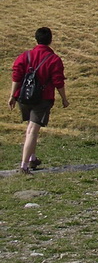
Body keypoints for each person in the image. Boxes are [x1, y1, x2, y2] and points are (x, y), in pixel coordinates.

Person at [8, 27, 69, 174]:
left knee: (30, 126)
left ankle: (32, 158)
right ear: (50, 40)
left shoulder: (25, 56)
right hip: (42, 98)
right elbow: (58, 81)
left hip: (23, 97)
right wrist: (64, 99)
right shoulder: (54, 59)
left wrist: (12, 96)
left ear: (36, 39)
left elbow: (16, 76)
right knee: (32, 131)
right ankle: (24, 166)